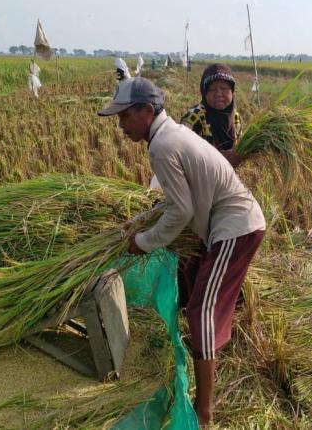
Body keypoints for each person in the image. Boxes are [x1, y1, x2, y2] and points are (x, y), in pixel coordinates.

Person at [98, 77, 265, 427]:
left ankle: (204, 413)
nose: (121, 125)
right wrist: (139, 221)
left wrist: (142, 242)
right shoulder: (170, 135)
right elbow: (174, 201)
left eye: (125, 116)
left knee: (200, 308)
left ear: (147, 110)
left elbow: (181, 212)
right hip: (226, 225)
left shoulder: (162, 145)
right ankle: (209, 350)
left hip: (235, 227)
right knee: (201, 297)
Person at [180, 63, 245, 167]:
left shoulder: (235, 117)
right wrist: (222, 158)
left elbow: (239, 149)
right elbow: (183, 155)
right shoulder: (193, 118)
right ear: (204, 93)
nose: (218, 94)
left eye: (224, 88)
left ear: (232, 91)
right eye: (212, 89)